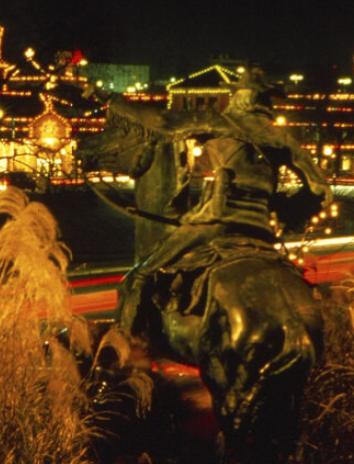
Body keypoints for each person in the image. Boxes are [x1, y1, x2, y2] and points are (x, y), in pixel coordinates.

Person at [115, 68, 332, 336]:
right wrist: (284, 208)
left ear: (240, 97)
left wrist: (111, 101)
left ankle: (127, 343)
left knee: (142, 273)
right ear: (265, 103)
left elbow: (161, 120)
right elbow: (321, 190)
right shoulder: (281, 138)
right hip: (261, 228)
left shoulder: (220, 123)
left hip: (215, 221)